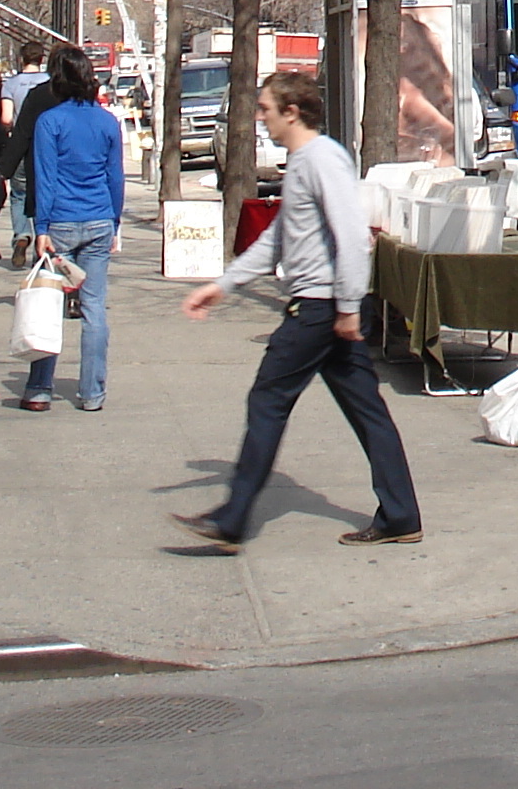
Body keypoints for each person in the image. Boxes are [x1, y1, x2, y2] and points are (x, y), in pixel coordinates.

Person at [176, 76, 422, 548]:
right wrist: (222, 285)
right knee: (367, 411)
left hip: (318, 308)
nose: (260, 117)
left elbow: (352, 235)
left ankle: (232, 518)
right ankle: (400, 515)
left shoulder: (322, 157)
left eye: (265, 108)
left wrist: (348, 307)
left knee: (267, 400)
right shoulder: (305, 161)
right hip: (328, 309)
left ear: (292, 111)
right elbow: (276, 240)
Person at [22, 46, 125, 411]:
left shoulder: (49, 121)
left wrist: (41, 227)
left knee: (48, 305)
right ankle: (92, 392)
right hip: (98, 217)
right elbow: (115, 176)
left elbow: (45, 178)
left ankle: (39, 388)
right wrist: (115, 221)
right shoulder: (107, 121)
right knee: (95, 308)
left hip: (61, 220)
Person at [1, 42, 51, 245]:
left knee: (19, 193)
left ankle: (21, 233)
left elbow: (6, 118)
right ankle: (42, 236)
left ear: (22, 59)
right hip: (45, 147)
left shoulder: (11, 84)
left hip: (21, 145)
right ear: (41, 59)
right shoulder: (49, 83)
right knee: (42, 193)